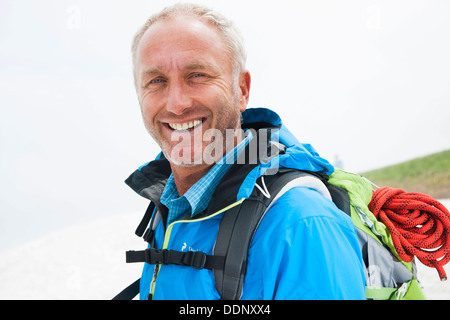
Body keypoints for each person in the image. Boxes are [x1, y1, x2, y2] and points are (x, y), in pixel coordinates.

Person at [125, 3, 365, 300]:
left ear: (242, 90)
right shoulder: (169, 207)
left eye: (197, 75)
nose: (176, 103)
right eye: (156, 81)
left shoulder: (302, 225)